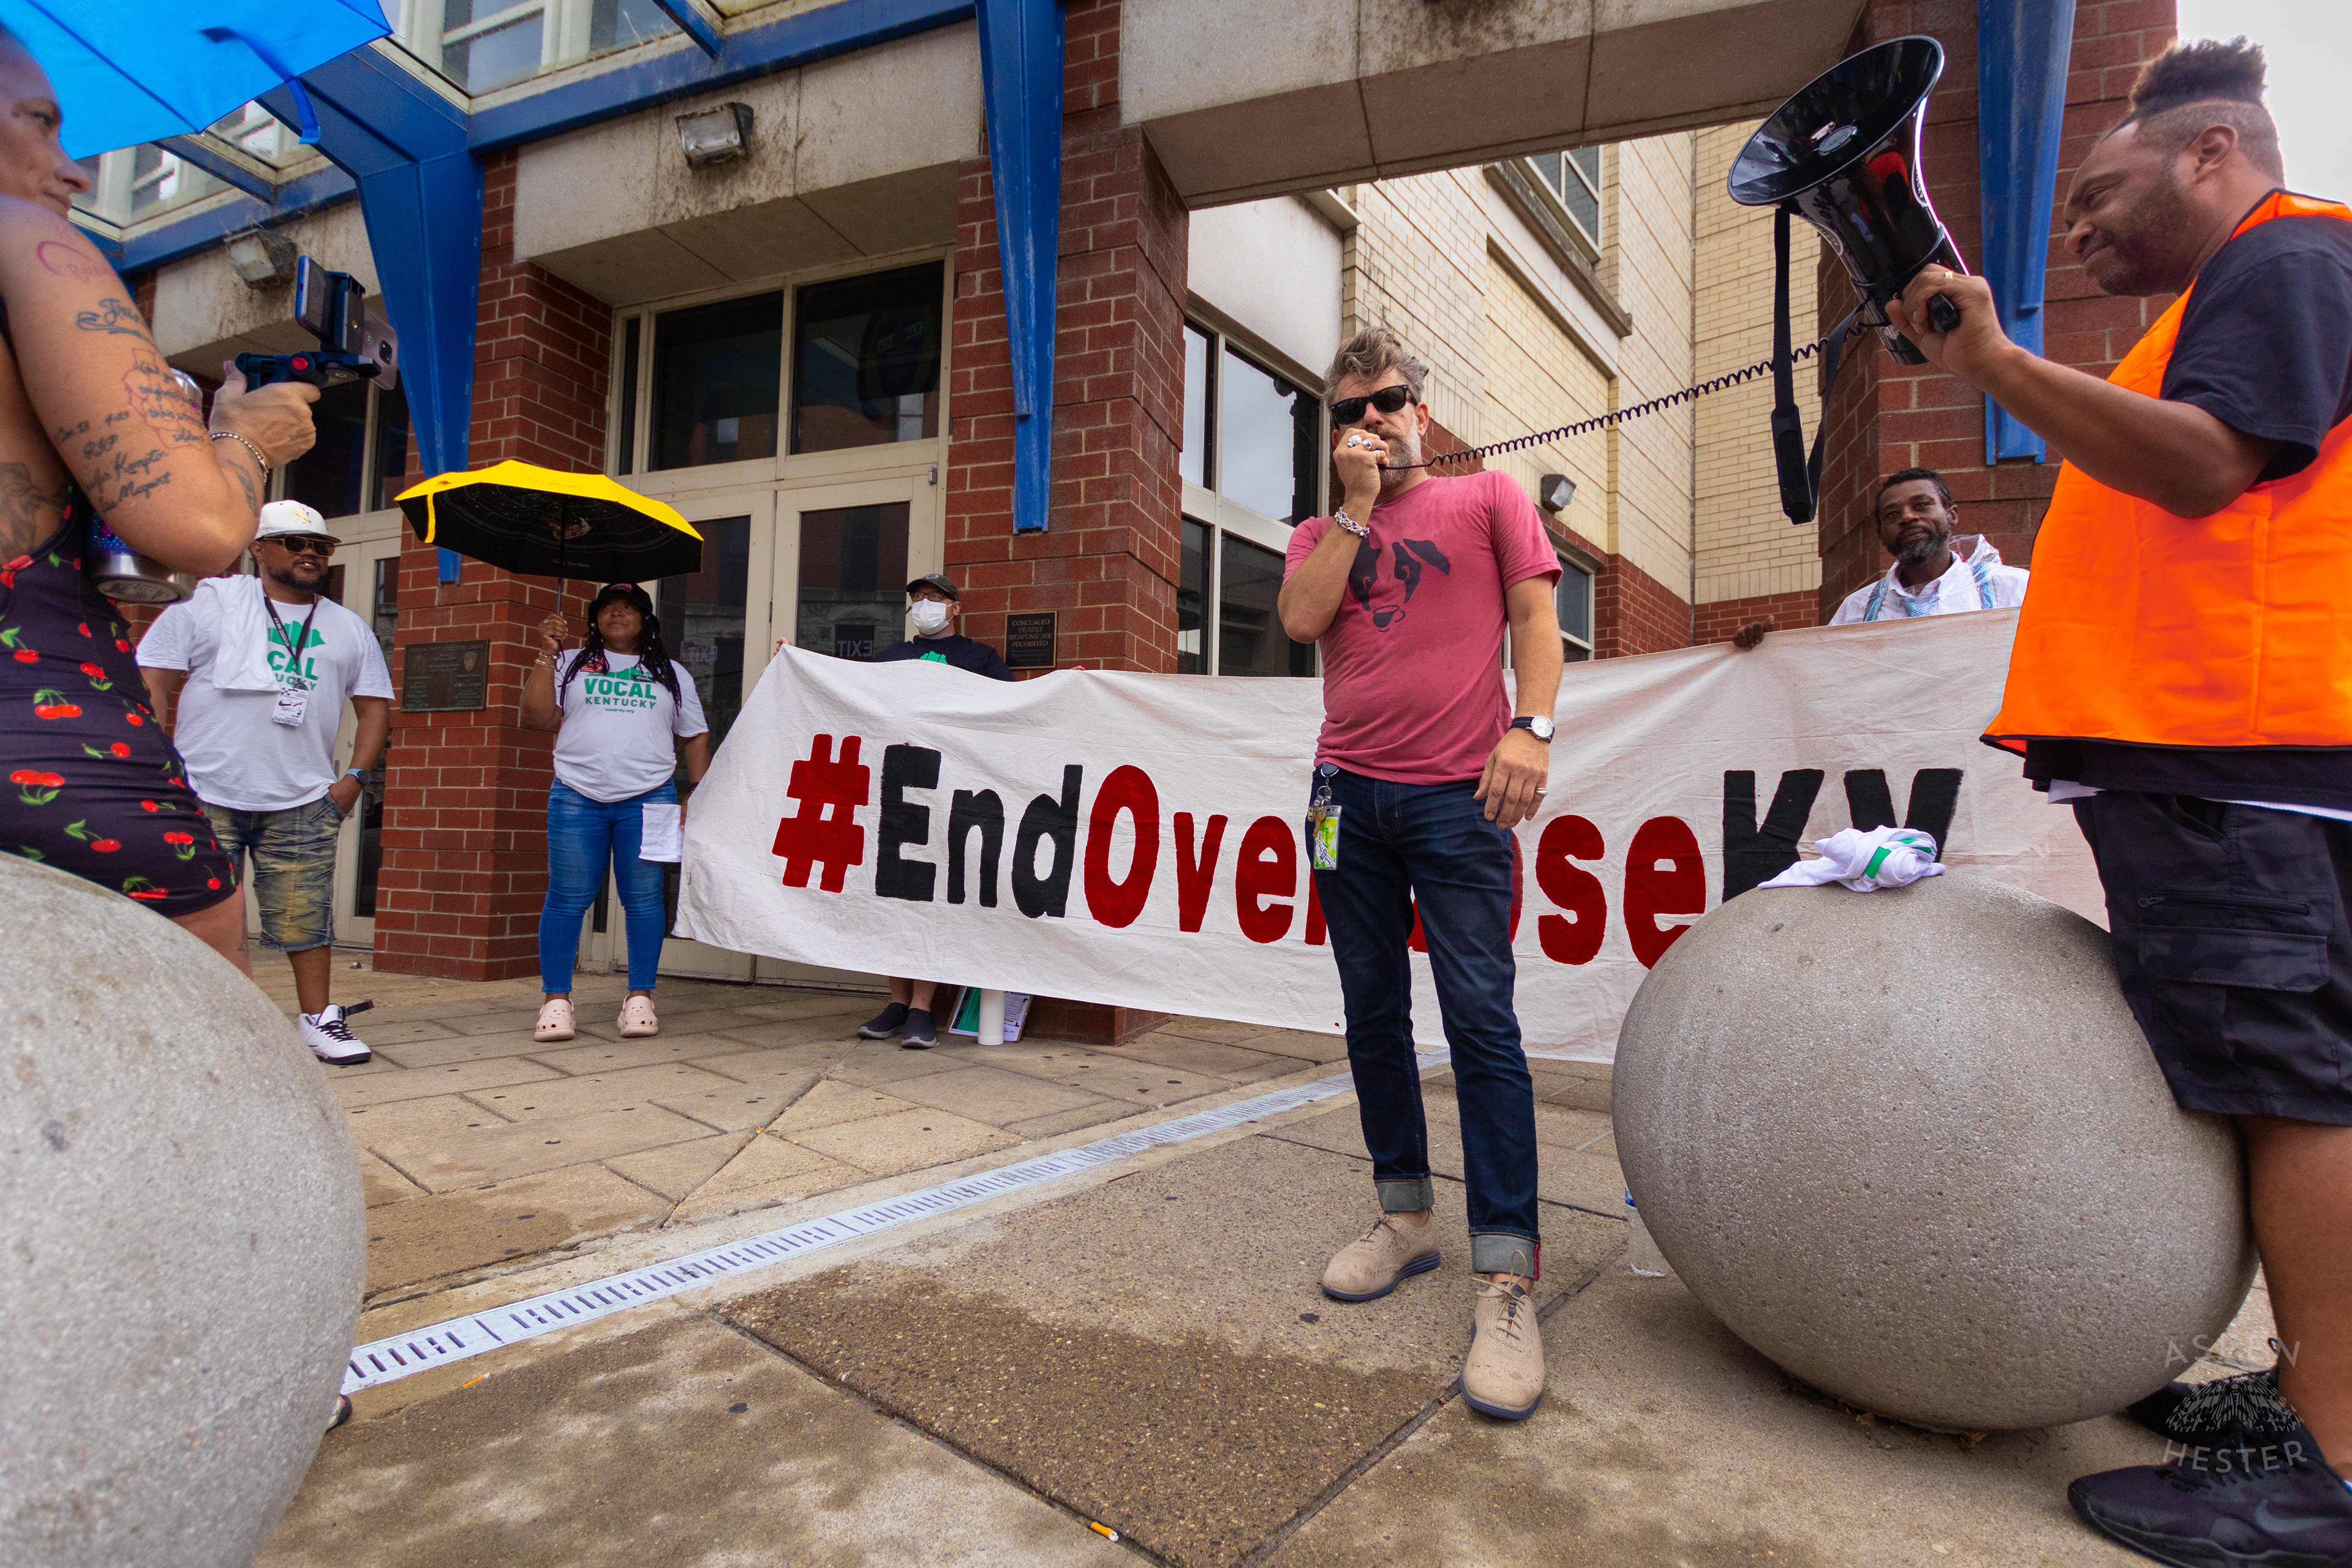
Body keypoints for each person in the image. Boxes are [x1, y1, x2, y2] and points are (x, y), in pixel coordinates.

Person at [1887, 39, 2352, 1562]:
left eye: (2099, 193)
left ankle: (2330, 1473)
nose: (2075, 226)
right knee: (2270, 1075)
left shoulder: (2282, 259)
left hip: (2238, 757)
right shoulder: (2232, 291)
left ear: (2211, 154)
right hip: (2225, 757)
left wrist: (2003, 367)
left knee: (2288, 1086)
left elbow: (2210, 468)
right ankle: (2309, 1397)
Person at [1276, 325, 1561, 1420]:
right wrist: (1353, 507)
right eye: (1352, 411)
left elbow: (1537, 618)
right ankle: (1405, 1217)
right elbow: (1305, 619)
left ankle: (1505, 1276)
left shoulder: (1489, 499)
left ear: (1422, 411)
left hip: (1459, 799)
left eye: (1389, 402)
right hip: (1348, 797)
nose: (1373, 422)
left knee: (1481, 1020)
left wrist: (1529, 729)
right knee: (1370, 1012)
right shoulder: (1320, 530)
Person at [0, 26, 317, 968]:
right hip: (44, 749)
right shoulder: (26, 241)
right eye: (40, 126)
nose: (75, 173)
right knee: (206, 1076)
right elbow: (200, 530)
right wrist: (242, 441)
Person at [138, 502, 392, 1064]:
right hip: (204, 793)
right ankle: (197, 1021)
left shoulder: (348, 627)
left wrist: (354, 779)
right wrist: (158, 763)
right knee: (198, 914)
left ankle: (319, 1021)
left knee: (307, 916)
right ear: (257, 548)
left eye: (320, 546)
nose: (309, 552)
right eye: (292, 542)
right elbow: (153, 676)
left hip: (304, 798)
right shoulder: (210, 602)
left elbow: (375, 708)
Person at [524, 582, 710, 1042]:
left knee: (645, 900)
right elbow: (536, 717)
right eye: (608, 607)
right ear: (595, 618)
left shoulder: (671, 673)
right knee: (567, 898)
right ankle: (556, 1001)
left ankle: (640, 997)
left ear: (646, 620)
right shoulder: (568, 663)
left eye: (629, 607)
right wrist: (546, 655)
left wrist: (699, 792)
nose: (618, 614)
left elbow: (696, 737)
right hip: (576, 795)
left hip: (650, 799)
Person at [858, 571, 1012, 1049]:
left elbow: (1014, 708)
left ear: (955, 608)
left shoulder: (979, 657)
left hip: (952, 789)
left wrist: (1067, 688)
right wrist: (795, 660)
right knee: (893, 895)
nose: (925, 604)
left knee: (933, 895)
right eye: (918, 597)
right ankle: (897, 1003)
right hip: (897, 785)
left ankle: (924, 1006)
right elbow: (848, 696)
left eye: (935, 597)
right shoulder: (890, 657)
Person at [1827, 468, 2030, 624]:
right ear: (1880, 533)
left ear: (1952, 515)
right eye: (1892, 514)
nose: (1907, 517)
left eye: (1922, 505)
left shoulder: (2013, 589)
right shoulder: (1856, 611)